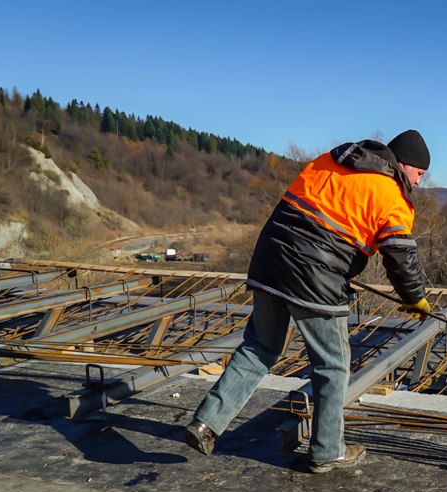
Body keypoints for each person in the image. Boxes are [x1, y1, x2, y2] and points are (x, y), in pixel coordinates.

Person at [183, 130, 432, 473]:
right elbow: (399, 255)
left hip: (270, 260)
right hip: (315, 278)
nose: (417, 182)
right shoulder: (391, 194)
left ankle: (206, 423)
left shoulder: (331, 161)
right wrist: (415, 298)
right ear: (404, 165)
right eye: (419, 174)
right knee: (332, 364)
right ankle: (327, 450)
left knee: (259, 347)